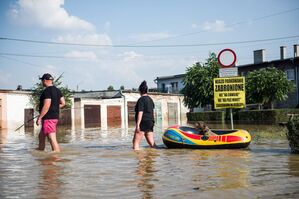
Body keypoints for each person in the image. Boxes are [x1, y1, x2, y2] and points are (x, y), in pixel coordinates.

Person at [36, 73, 65, 152]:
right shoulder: (58, 90)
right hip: (54, 117)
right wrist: (54, 106)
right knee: (41, 136)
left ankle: (56, 155)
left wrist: (40, 117)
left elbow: (47, 105)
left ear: (44, 80)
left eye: (42, 81)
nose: (41, 82)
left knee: (52, 138)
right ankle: (40, 150)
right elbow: (63, 103)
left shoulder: (47, 91)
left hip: (49, 118)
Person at [133, 80, 156, 150]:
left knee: (136, 143)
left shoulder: (141, 100)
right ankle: (153, 157)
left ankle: (139, 160)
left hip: (143, 122)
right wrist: (153, 122)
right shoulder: (150, 100)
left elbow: (140, 112)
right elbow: (154, 112)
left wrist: (138, 125)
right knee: (152, 143)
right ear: (146, 91)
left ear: (140, 91)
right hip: (150, 122)